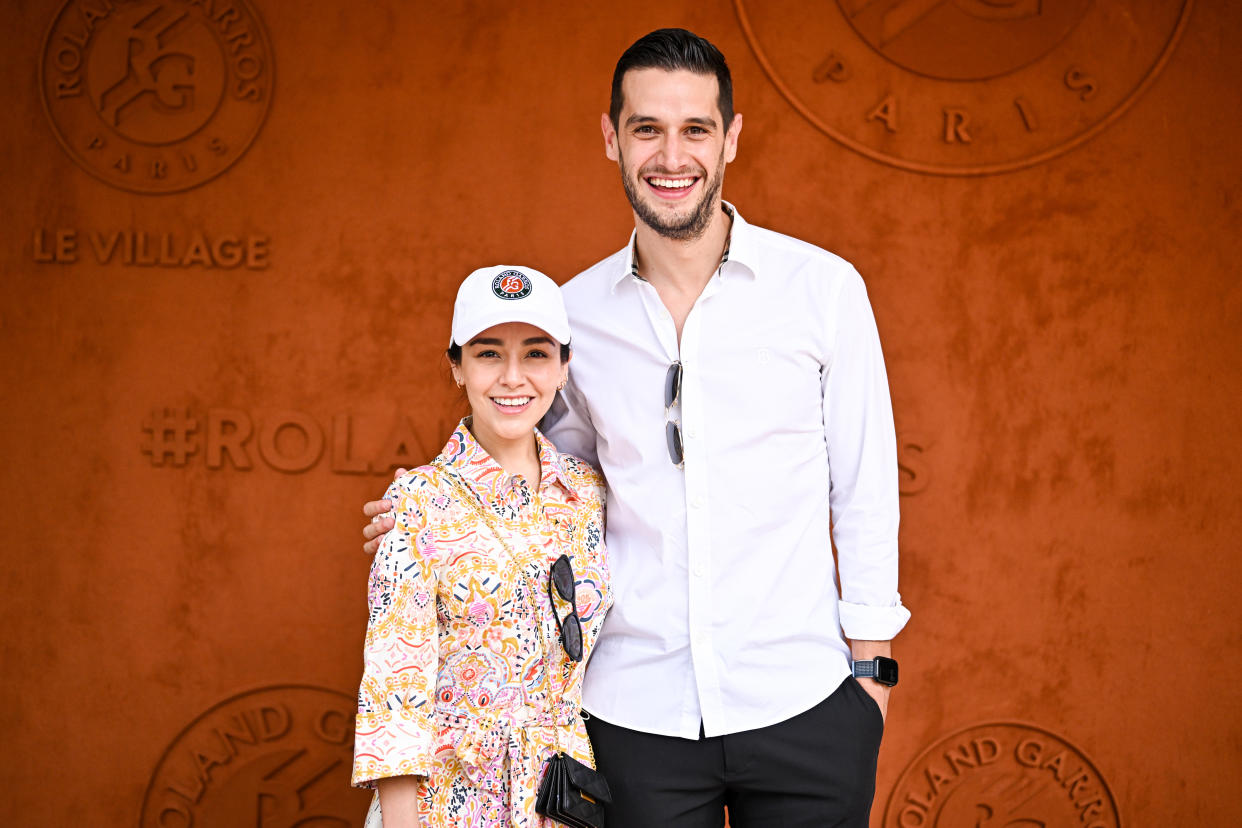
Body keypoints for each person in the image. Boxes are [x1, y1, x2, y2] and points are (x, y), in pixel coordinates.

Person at [365, 29, 909, 827]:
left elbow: (865, 484)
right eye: (646, 128)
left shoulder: (823, 291)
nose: (671, 156)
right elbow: (545, 477)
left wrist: (871, 681)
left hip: (808, 704)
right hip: (632, 716)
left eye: (695, 129)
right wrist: (430, 511)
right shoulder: (573, 315)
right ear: (611, 138)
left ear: (731, 138)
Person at [352, 265, 612, 828]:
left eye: (537, 354)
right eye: (489, 354)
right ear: (457, 367)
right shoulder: (418, 501)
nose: (513, 378)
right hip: (449, 804)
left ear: (564, 368)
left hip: (561, 801)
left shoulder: (588, 494)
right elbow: (396, 687)